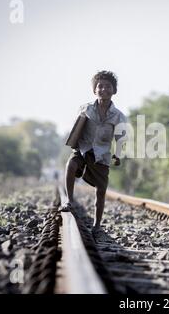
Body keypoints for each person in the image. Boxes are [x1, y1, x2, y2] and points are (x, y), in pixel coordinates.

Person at [60, 70, 127, 234]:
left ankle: (97, 225)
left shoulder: (119, 116)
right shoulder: (85, 109)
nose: (104, 89)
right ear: (94, 90)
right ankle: (69, 200)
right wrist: (74, 143)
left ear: (114, 90)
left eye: (108, 86)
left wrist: (117, 155)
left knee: (101, 190)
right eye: (100, 86)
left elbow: (120, 138)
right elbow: (77, 128)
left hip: (102, 155)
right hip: (84, 150)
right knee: (71, 164)